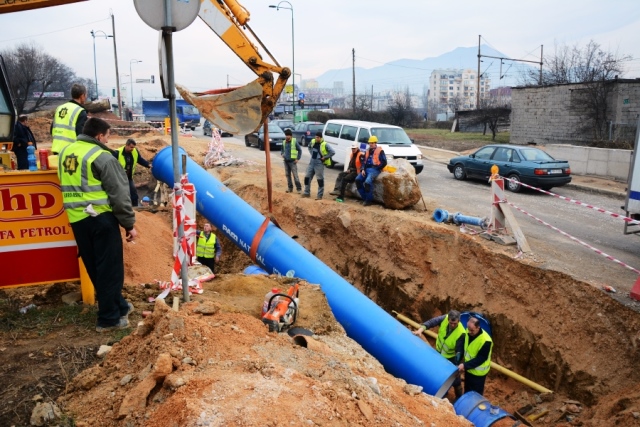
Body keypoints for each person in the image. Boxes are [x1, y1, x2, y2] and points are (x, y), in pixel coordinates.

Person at [57, 117, 136, 333]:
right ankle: (108, 319)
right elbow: (120, 195)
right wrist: (129, 224)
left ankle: (118, 306)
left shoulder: (66, 152)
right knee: (110, 270)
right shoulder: (102, 156)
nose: (108, 141)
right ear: (99, 135)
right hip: (101, 218)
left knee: (95, 266)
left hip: (77, 219)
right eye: (108, 136)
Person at [413, 310, 466, 399]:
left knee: (455, 378)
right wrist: (420, 330)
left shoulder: (461, 333)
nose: (452, 325)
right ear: (448, 319)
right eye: (451, 323)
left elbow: (459, 351)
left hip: (450, 357)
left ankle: (459, 396)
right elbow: (431, 322)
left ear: (459, 321)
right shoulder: (444, 319)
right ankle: (443, 392)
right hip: (438, 352)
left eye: (455, 323)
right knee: (437, 373)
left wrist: (456, 365)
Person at [458, 315, 493, 396]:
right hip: (469, 370)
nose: (469, 332)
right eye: (469, 329)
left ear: (478, 327)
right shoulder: (468, 330)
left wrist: (464, 365)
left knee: (475, 394)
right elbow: (464, 344)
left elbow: (481, 358)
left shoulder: (486, 341)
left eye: (472, 330)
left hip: (478, 374)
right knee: (467, 390)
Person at [51, 83, 88, 154]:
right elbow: (81, 134)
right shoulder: (80, 111)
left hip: (57, 149)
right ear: (82, 96)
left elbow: (52, 129)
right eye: (85, 95)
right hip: (72, 151)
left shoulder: (59, 108)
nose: (86, 97)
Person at [114, 139, 151, 207]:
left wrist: (148, 165)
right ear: (126, 145)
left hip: (129, 177)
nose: (132, 149)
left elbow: (139, 159)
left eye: (133, 147)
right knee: (121, 194)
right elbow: (111, 165)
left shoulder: (134, 151)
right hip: (119, 178)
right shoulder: (117, 153)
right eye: (131, 147)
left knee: (133, 193)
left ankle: (135, 208)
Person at [301, 131, 335, 200]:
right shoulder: (313, 141)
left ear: (321, 138)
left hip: (319, 163)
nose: (316, 138)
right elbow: (309, 146)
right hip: (312, 162)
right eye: (316, 137)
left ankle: (319, 196)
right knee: (307, 177)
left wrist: (325, 157)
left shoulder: (325, 144)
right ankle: (306, 193)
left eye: (318, 137)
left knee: (320, 180)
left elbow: (332, 152)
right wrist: (312, 153)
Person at [355, 135, 387, 206]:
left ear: (375, 143)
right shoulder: (367, 151)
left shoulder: (380, 151)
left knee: (367, 182)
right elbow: (363, 161)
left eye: (372, 143)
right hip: (366, 169)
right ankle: (365, 198)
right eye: (370, 143)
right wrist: (363, 169)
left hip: (375, 169)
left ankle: (369, 200)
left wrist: (377, 168)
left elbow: (384, 162)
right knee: (358, 180)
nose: (371, 144)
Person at [281, 128, 302, 193]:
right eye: (286, 135)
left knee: (295, 175)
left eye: (288, 135)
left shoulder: (294, 141)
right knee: (287, 175)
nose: (287, 136)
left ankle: (299, 189)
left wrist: (297, 158)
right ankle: (290, 188)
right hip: (286, 161)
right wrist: (282, 154)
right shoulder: (284, 142)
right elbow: (282, 150)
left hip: (293, 162)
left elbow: (300, 150)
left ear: (291, 136)